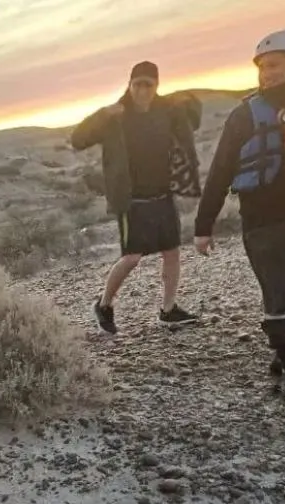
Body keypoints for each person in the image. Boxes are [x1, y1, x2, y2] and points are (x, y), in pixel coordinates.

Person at [194, 28, 285, 400]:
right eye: (263, 67)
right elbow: (220, 170)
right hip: (265, 220)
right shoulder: (244, 115)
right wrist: (204, 226)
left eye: (275, 64)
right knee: (280, 294)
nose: (267, 73)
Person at [72, 60, 203, 333]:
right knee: (132, 257)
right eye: (138, 84)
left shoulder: (167, 111)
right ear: (129, 84)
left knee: (172, 252)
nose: (143, 90)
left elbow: (194, 122)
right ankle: (104, 304)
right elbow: (77, 139)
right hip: (132, 200)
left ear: (157, 86)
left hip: (163, 194)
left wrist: (188, 101)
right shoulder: (115, 116)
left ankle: (168, 310)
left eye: (149, 85)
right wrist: (102, 114)